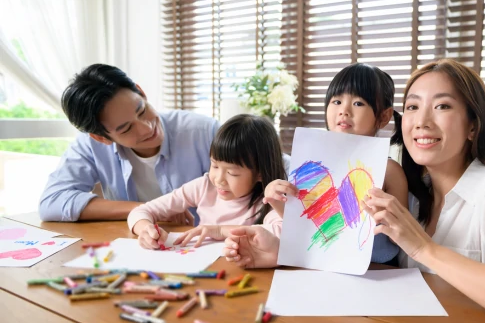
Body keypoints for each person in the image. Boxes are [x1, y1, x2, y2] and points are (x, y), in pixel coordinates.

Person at [222, 59, 485, 323]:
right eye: (414, 107)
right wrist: (281, 251)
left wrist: (424, 248)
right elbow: (354, 250)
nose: (422, 121)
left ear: (473, 126)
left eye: (443, 107)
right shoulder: (414, 188)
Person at [262, 63, 409, 265]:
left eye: (358, 103)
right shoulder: (310, 167)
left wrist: (383, 217)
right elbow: (303, 226)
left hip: (377, 271)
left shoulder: (390, 170)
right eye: (337, 101)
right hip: (319, 265)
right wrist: (275, 199)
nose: (344, 111)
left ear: (383, 116)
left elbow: (403, 237)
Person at [39, 64, 219, 224]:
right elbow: (52, 200)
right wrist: (150, 209)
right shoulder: (91, 146)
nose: (146, 128)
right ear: (101, 138)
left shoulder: (205, 132)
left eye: (142, 110)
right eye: (126, 129)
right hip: (139, 246)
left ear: (141, 92)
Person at [128, 114, 287, 250]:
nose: (219, 179)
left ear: (259, 173)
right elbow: (141, 211)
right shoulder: (204, 187)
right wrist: (145, 229)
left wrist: (219, 231)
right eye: (215, 165)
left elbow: (281, 234)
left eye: (231, 172)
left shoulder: (268, 201)